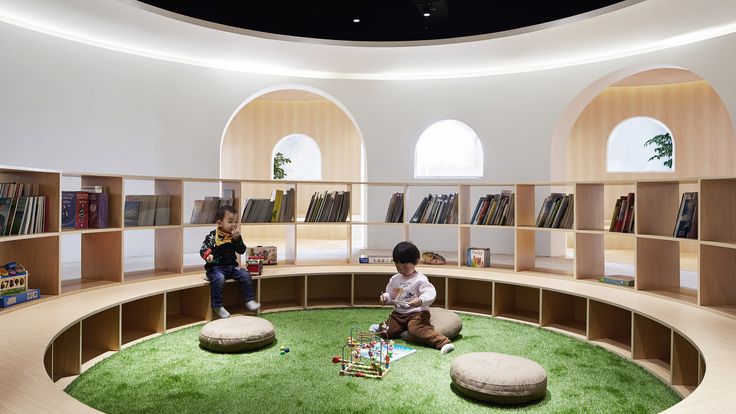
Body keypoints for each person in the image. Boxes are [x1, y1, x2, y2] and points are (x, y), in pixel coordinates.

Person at [371, 241, 454, 354]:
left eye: (405, 266)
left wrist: (420, 300)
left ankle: (443, 342)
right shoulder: (394, 279)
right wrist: (385, 298)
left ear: (416, 262)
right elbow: (390, 294)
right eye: (397, 266)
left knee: (416, 329)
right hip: (398, 314)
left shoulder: (420, 279)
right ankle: (380, 327)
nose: (401, 269)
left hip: (417, 313)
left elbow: (430, 293)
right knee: (388, 331)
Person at [200, 205, 260, 318]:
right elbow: (203, 249)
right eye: (230, 221)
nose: (234, 224)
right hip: (215, 268)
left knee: (245, 274)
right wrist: (208, 255)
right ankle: (217, 305)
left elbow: (241, 250)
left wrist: (237, 239)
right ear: (220, 223)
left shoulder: (235, 236)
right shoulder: (213, 236)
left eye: (236, 221)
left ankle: (249, 300)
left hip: (232, 267)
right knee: (219, 278)